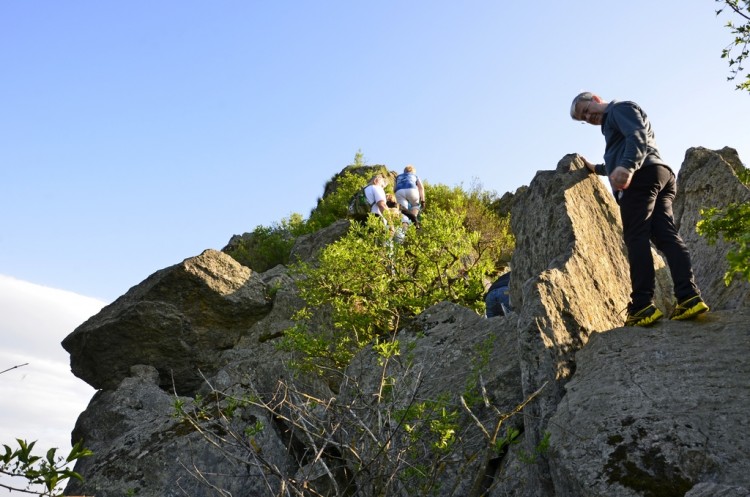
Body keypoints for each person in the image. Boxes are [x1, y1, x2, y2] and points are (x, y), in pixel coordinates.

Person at [570, 91, 709, 326]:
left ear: (595, 98)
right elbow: (624, 148)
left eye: (586, 109)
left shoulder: (618, 109)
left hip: (641, 177)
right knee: (666, 236)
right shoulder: (612, 122)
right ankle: (689, 297)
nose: (588, 117)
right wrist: (597, 168)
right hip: (658, 174)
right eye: (583, 118)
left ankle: (642, 305)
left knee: (637, 237)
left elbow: (637, 135)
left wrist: (628, 167)